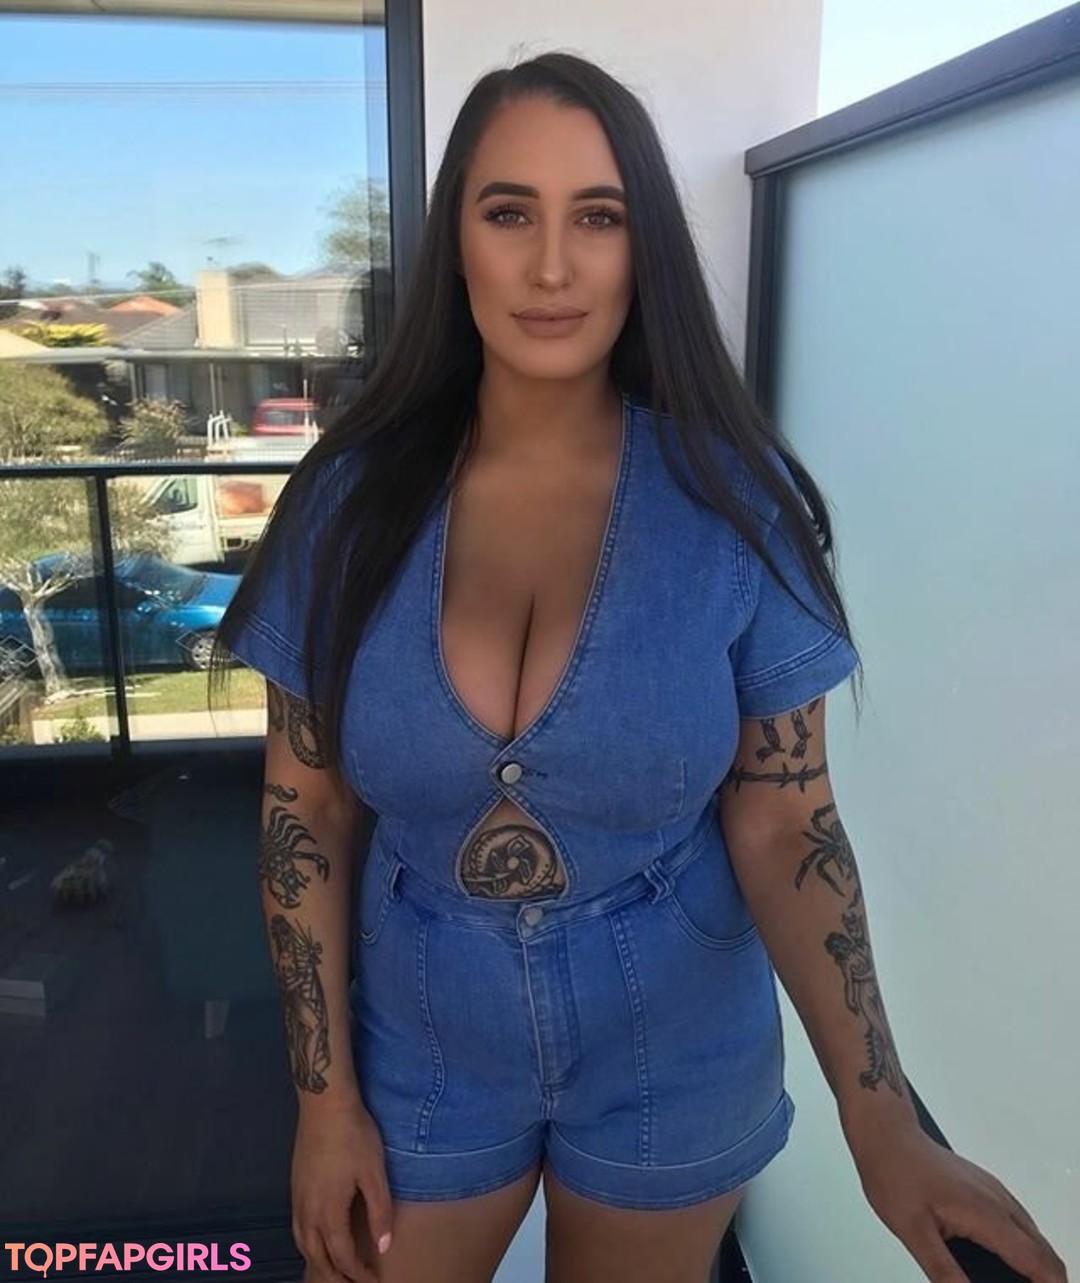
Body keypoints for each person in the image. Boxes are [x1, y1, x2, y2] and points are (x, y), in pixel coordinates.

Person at [214, 51, 1067, 1283]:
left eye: (598, 218)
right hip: (424, 1037)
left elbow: (787, 818)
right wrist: (322, 1098)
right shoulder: (344, 508)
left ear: (641, 246)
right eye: (511, 213)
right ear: (458, 244)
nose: (553, 267)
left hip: (679, 1035)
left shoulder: (734, 503)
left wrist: (881, 1116)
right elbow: (308, 806)